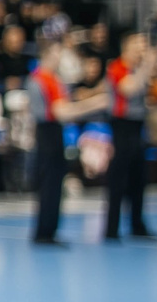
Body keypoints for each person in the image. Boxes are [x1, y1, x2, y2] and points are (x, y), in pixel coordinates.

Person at [30, 39, 109, 247]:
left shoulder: (50, 79)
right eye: (58, 53)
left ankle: (48, 229)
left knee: (55, 183)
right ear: (49, 54)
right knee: (50, 183)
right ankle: (45, 232)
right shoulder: (44, 79)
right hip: (48, 132)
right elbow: (60, 111)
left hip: (52, 133)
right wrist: (96, 102)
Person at [104, 31, 156, 241]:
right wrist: (146, 67)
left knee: (139, 178)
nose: (142, 50)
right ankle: (111, 228)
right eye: (139, 46)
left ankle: (137, 225)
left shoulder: (136, 70)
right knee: (118, 178)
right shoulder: (117, 67)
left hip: (137, 125)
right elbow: (128, 90)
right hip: (122, 126)